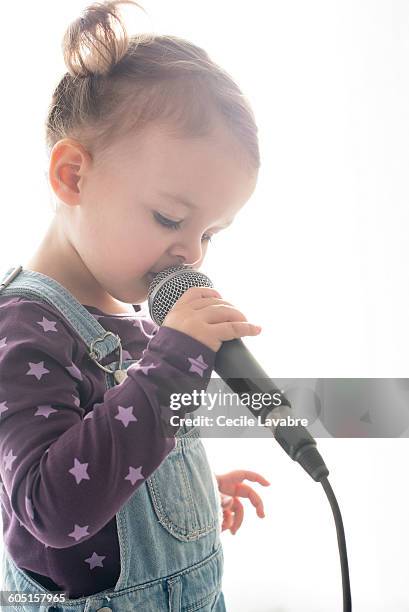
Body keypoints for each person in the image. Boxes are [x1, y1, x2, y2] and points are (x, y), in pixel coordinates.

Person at [0, 1, 270, 610]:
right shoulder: (22, 328)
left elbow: (116, 453)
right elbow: (52, 507)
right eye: (171, 218)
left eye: (210, 233)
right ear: (73, 176)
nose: (192, 253)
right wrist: (174, 361)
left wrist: (185, 489)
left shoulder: (136, 323)